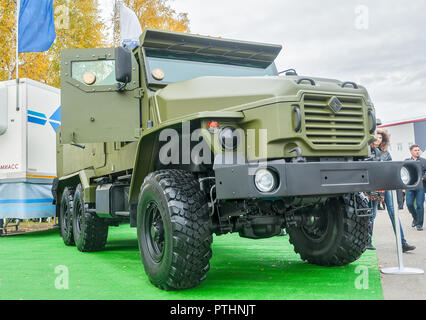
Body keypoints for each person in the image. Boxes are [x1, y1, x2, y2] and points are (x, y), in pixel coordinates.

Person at [367, 129, 415, 252]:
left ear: (384, 140)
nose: (378, 140)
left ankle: (402, 242)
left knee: (393, 213)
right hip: (373, 187)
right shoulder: (367, 152)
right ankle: (367, 241)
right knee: (372, 214)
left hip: (386, 186)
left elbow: (390, 168)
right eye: (376, 137)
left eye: (380, 138)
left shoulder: (386, 153)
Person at [405, 144, 426, 231]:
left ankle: (419, 224)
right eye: (415, 150)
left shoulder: (424, 161)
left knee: (420, 205)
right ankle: (415, 217)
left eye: (418, 150)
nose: (417, 152)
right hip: (410, 185)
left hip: (420, 186)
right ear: (411, 151)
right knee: (409, 204)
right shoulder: (406, 161)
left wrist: (423, 177)